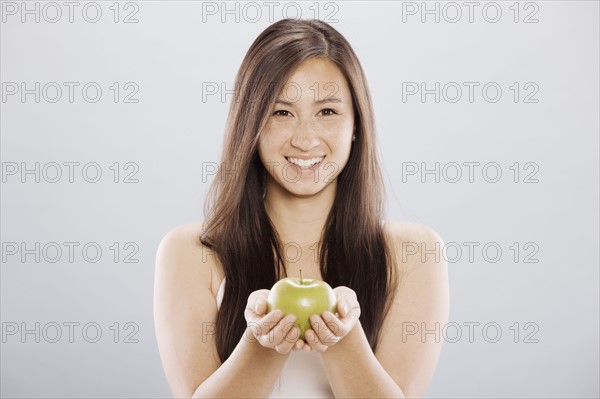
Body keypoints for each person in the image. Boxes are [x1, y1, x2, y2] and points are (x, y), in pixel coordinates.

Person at [154, 18, 449, 398]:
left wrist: (343, 339)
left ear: (356, 124)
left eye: (327, 112)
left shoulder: (414, 252)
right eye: (281, 112)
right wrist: (260, 343)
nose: (306, 139)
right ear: (252, 125)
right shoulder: (190, 252)